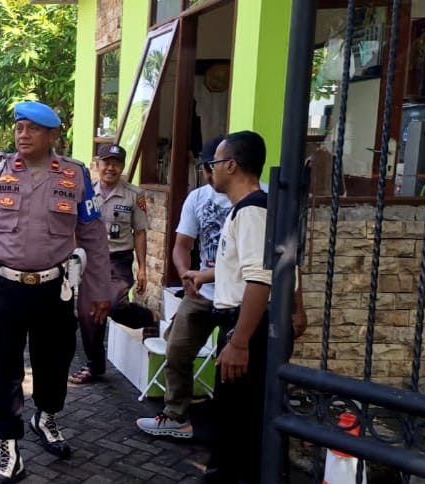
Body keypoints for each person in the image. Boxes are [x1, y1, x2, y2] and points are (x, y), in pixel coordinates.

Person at [0, 101, 112, 484]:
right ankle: (8, 450)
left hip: (55, 290)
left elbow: (94, 238)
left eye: (33, 128)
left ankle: (45, 416)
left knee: (54, 365)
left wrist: (101, 291)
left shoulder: (75, 175)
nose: (23, 134)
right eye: (19, 127)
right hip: (5, 289)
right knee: (5, 371)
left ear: (53, 135)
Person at [193, 131, 305, 483]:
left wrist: (239, 342)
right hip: (249, 324)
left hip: (248, 328)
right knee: (240, 422)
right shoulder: (254, 208)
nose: (210, 172)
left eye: (213, 164)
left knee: (240, 426)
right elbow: (276, 264)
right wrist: (207, 273)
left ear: (231, 165)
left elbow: (261, 277)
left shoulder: (253, 209)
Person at [135, 136, 229, 438]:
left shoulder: (260, 200)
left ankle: (231, 425)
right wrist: (186, 275)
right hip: (202, 292)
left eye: (210, 165)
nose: (207, 172)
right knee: (176, 349)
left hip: (241, 297)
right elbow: (182, 245)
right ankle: (176, 415)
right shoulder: (198, 198)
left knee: (237, 363)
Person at [69, 143, 153, 384]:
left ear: (123, 167)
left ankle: (149, 318)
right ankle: (94, 366)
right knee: (88, 314)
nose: (111, 168)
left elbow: (140, 232)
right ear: (98, 165)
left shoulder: (134, 195)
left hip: (119, 260)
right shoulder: (84, 193)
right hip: (90, 260)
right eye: (106, 162)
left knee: (114, 305)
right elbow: (74, 226)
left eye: (116, 163)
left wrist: (144, 269)